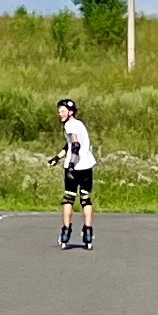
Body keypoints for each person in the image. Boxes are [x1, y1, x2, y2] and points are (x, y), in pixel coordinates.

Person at [57, 97, 96, 249]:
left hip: (74, 167)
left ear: (70, 112)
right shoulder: (79, 124)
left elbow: (75, 144)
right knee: (86, 199)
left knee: (69, 199)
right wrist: (57, 158)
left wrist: (71, 164)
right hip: (87, 166)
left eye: (63, 111)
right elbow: (68, 145)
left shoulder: (69, 125)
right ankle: (88, 233)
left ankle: (66, 232)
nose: (60, 114)